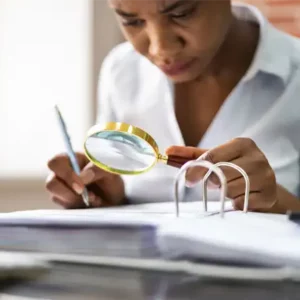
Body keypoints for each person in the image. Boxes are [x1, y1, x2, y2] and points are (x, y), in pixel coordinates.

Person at [46, 0, 300, 213]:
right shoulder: (120, 71)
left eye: (182, 13)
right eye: (131, 21)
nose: (161, 49)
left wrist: (275, 201)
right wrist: (106, 197)